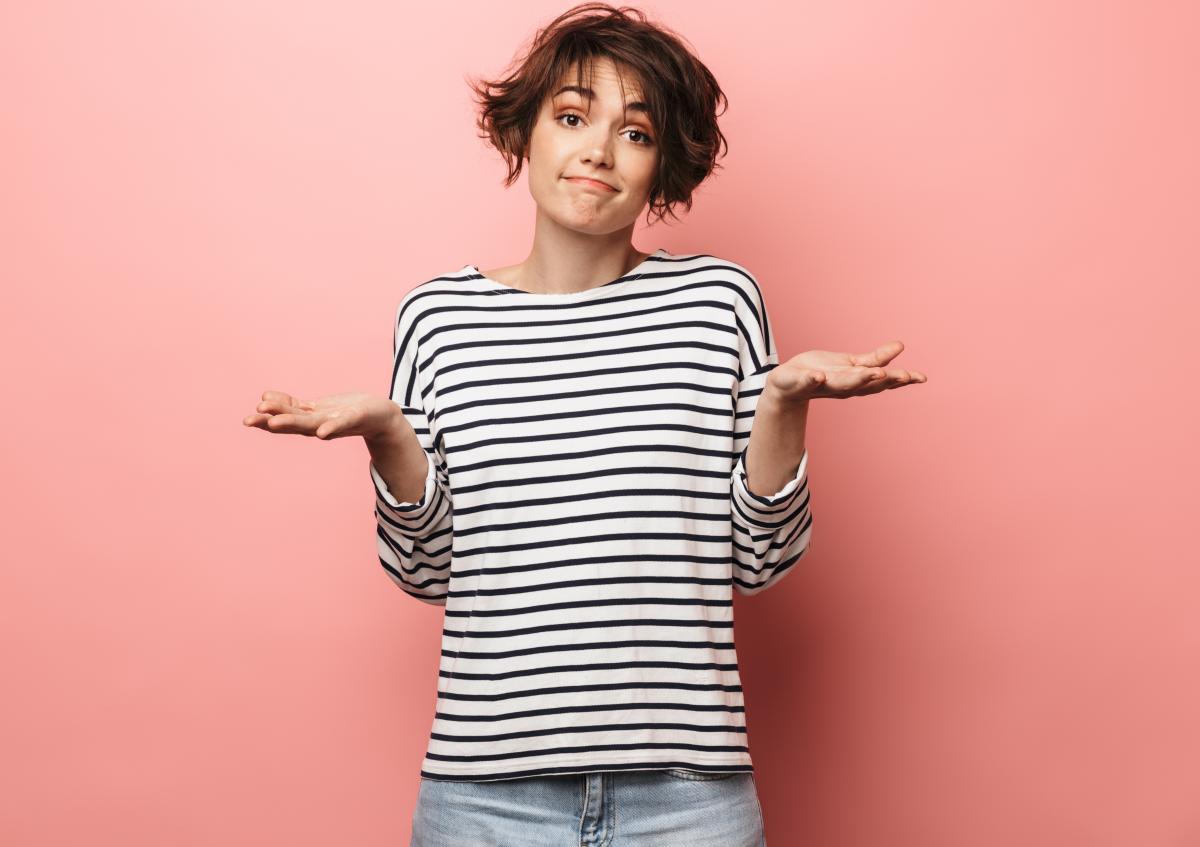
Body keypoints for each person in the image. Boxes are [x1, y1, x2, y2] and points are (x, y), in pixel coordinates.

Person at [243, 3, 926, 844]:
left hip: (688, 800)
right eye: (571, 118)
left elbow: (762, 560)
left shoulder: (717, 303)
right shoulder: (439, 319)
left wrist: (784, 405)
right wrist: (391, 437)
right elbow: (423, 572)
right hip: (485, 796)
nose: (598, 150)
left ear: (661, 165)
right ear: (524, 132)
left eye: (635, 133)